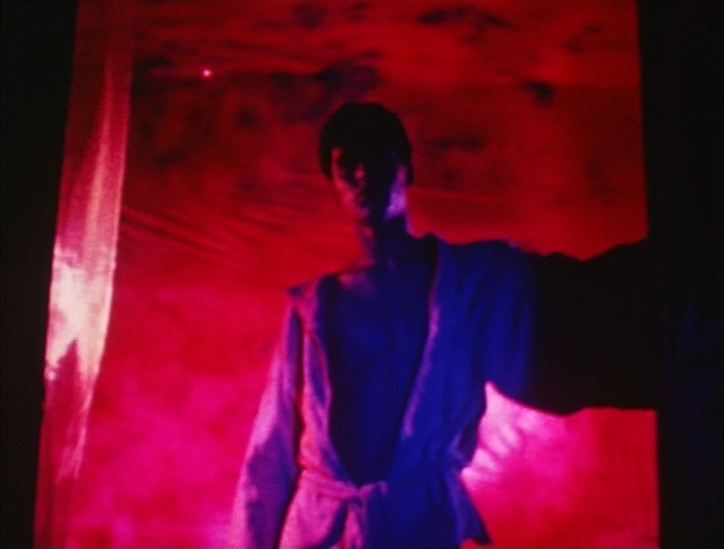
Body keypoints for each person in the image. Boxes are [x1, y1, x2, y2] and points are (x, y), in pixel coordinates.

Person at [228, 103, 659, 548]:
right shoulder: (312, 307)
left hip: (418, 525)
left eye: (377, 157)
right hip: (323, 530)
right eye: (347, 165)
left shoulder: (471, 283)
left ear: (407, 169)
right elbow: (271, 452)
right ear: (333, 182)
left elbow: (573, 318)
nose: (363, 174)